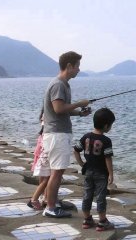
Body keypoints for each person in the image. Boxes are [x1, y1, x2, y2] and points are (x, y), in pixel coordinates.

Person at [42, 51, 91, 218]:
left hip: (57, 134)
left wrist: (79, 113)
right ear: (69, 66)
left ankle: (53, 202)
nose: (78, 69)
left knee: (58, 171)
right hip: (57, 135)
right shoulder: (58, 85)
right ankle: (50, 207)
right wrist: (79, 103)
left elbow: (61, 110)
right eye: (77, 66)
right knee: (57, 172)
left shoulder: (64, 84)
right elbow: (58, 109)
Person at [73, 107, 115, 231]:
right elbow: (108, 159)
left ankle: (87, 220)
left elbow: (75, 150)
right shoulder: (106, 141)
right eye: (111, 125)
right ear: (106, 126)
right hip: (101, 174)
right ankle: (102, 221)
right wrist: (111, 174)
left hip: (88, 172)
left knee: (87, 195)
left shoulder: (86, 137)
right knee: (100, 197)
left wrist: (82, 164)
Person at [27, 108, 50, 210]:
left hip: (40, 151)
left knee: (43, 178)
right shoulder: (49, 117)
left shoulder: (43, 116)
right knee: (47, 179)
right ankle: (34, 199)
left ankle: (44, 198)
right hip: (45, 152)